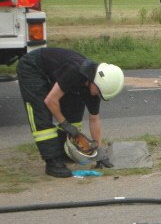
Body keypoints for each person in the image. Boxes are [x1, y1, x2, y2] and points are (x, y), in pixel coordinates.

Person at [16, 48, 124, 177]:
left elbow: (94, 119)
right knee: (41, 114)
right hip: (32, 67)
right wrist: (64, 123)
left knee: (74, 111)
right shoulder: (75, 71)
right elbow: (51, 100)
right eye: (99, 92)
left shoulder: (94, 87)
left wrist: (99, 153)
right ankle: (53, 162)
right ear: (96, 81)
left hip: (57, 74)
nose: (97, 95)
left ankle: (64, 153)